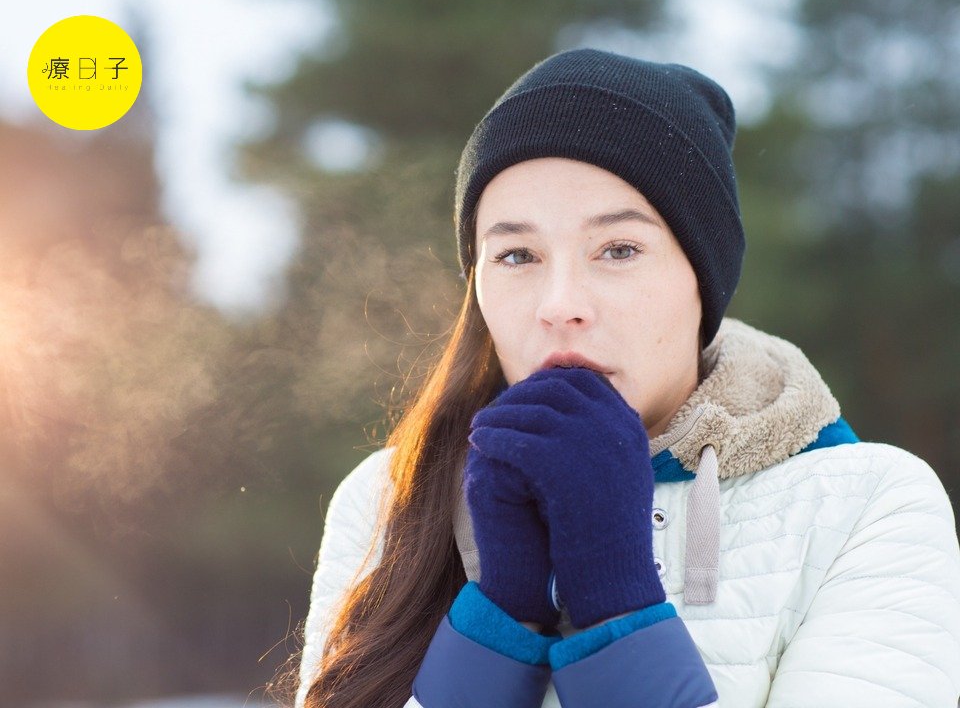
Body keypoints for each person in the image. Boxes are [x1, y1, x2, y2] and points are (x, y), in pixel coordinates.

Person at [294, 48, 960, 708]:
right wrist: (498, 619)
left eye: (618, 249)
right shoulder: (387, 500)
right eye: (517, 254)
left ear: (704, 280)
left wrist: (617, 605)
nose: (559, 303)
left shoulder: (867, 506)